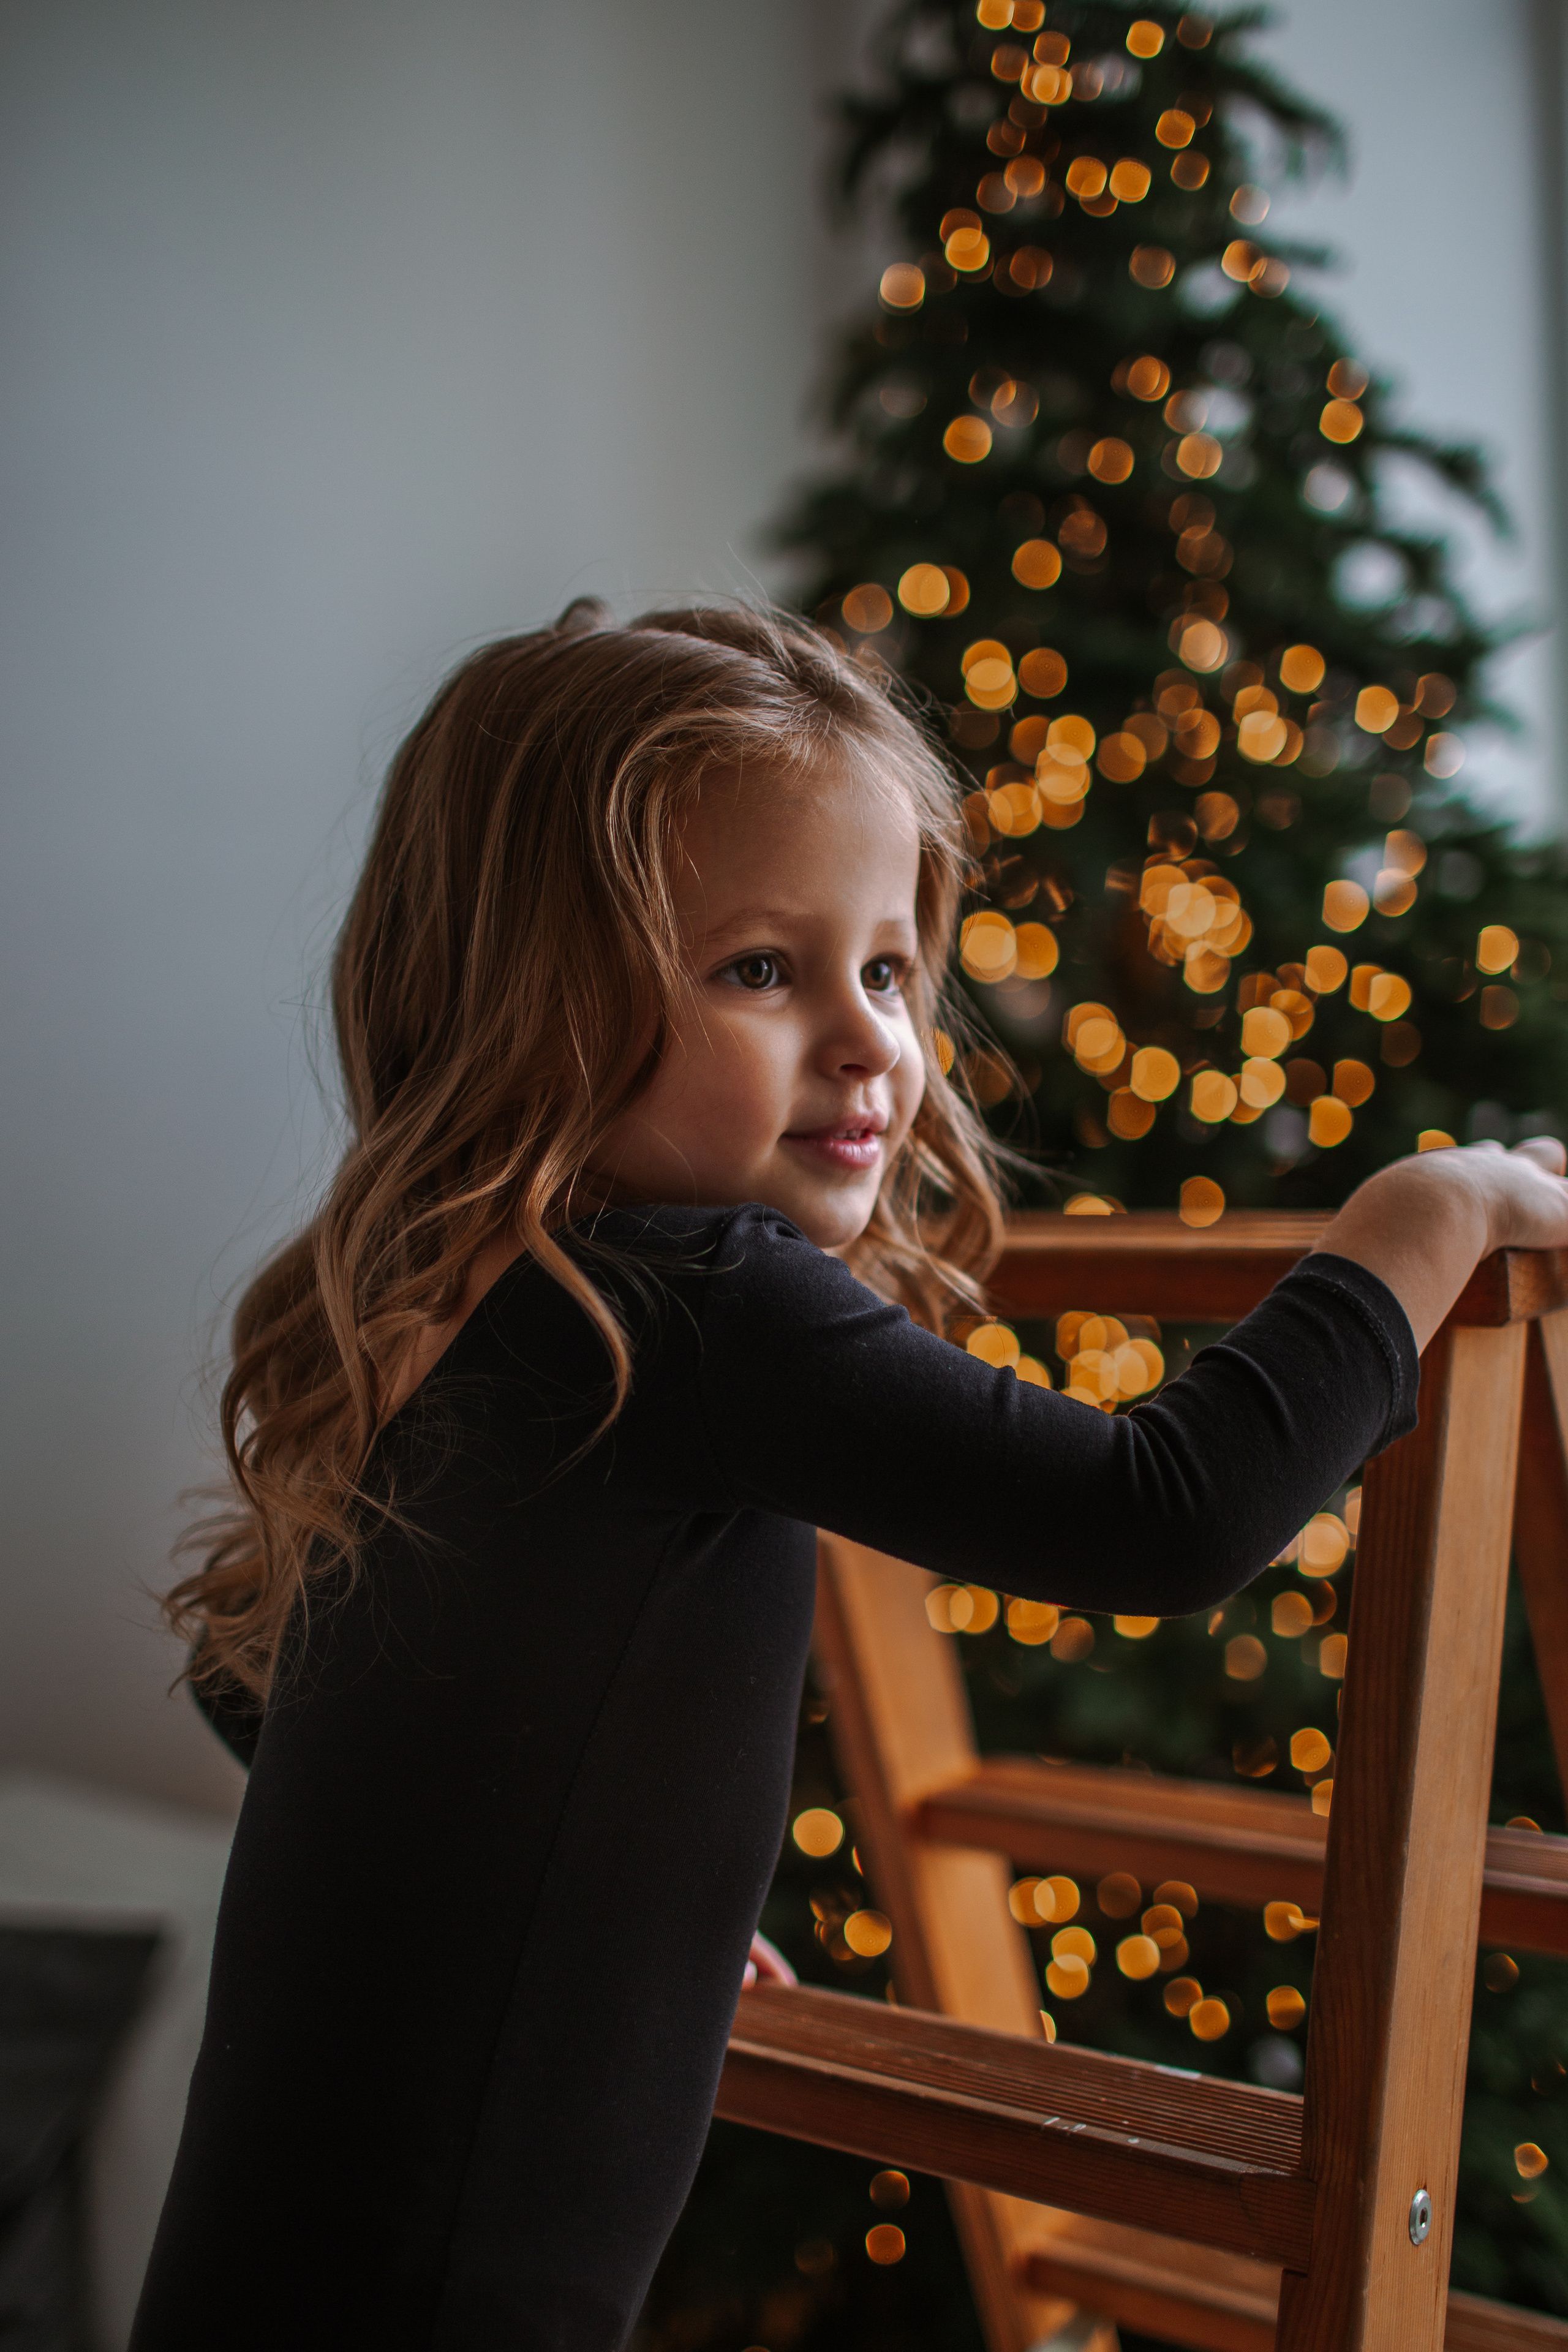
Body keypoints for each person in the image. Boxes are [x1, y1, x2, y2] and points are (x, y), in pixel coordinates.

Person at [132, 601, 1568, 2352]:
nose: (870, 1035)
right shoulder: (694, 1300)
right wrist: (1429, 1217)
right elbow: (1162, 1511)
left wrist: (580, 1914)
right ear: (539, 1007)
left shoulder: (463, 1305)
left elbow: (250, 1680)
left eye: (886, 968)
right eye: (762, 969)